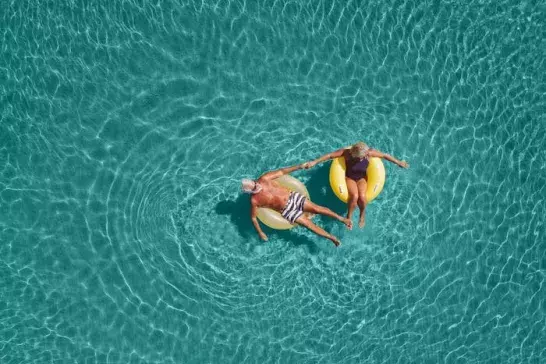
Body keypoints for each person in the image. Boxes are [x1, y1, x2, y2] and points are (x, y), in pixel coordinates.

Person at [242, 163, 352, 247]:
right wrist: (260, 232)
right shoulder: (255, 200)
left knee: (316, 209)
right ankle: (331, 238)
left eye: (255, 183)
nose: (258, 186)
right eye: (255, 188)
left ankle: (341, 218)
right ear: (250, 192)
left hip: (293, 197)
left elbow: (281, 172)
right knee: (309, 226)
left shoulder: (264, 178)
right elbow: (253, 218)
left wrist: (300, 166)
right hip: (287, 211)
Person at [302, 142, 409, 228]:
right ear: (353, 154)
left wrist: (399, 162)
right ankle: (349, 216)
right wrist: (314, 162)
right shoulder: (346, 154)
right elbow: (330, 155)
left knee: (362, 196)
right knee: (354, 196)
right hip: (350, 178)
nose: (362, 159)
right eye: (359, 158)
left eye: (363, 157)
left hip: (361, 178)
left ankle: (362, 215)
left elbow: (385, 155)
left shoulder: (368, 153)